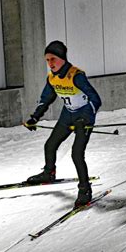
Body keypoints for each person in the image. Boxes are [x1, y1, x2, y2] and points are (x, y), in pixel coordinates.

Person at [24, 40, 102, 208]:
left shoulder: (76, 75)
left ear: (62, 58)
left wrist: (85, 120)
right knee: (50, 145)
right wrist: (34, 118)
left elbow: (95, 100)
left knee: (76, 154)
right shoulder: (52, 78)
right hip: (68, 116)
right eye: (47, 60)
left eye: (53, 59)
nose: (50, 63)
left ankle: (85, 190)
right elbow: (45, 99)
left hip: (84, 116)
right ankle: (48, 173)